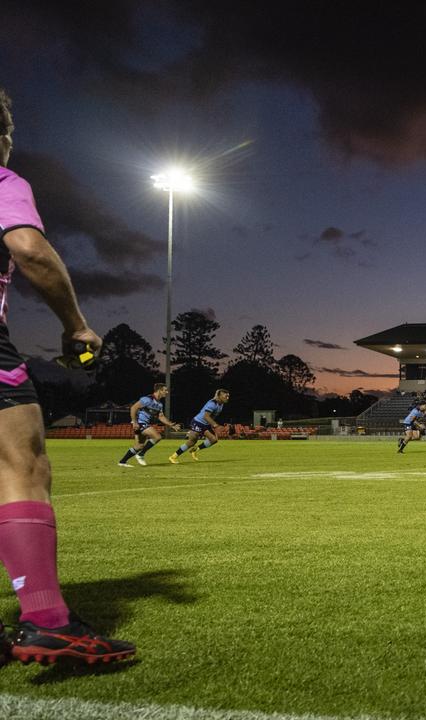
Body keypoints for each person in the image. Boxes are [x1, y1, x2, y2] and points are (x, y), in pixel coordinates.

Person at [0, 87, 135, 663]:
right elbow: (29, 249)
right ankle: (48, 619)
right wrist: (76, 325)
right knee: (22, 465)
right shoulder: (5, 180)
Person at [118, 384, 181, 466]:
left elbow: (161, 416)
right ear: (159, 391)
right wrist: (135, 422)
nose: (167, 392)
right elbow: (133, 408)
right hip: (140, 423)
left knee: (139, 446)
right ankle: (141, 455)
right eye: (165, 390)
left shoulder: (159, 404)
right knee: (157, 437)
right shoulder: (147, 399)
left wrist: (171, 425)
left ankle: (122, 462)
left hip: (144, 424)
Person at [169, 389, 230, 462]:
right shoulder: (212, 403)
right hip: (198, 422)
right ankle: (173, 457)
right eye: (225, 396)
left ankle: (194, 450)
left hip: (205, 424)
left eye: (228, 396)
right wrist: (216, 425)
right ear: (219, 396)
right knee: (192, 442)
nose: (227, 398)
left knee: (214, 440)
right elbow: (206, 416)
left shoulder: (221, 404)